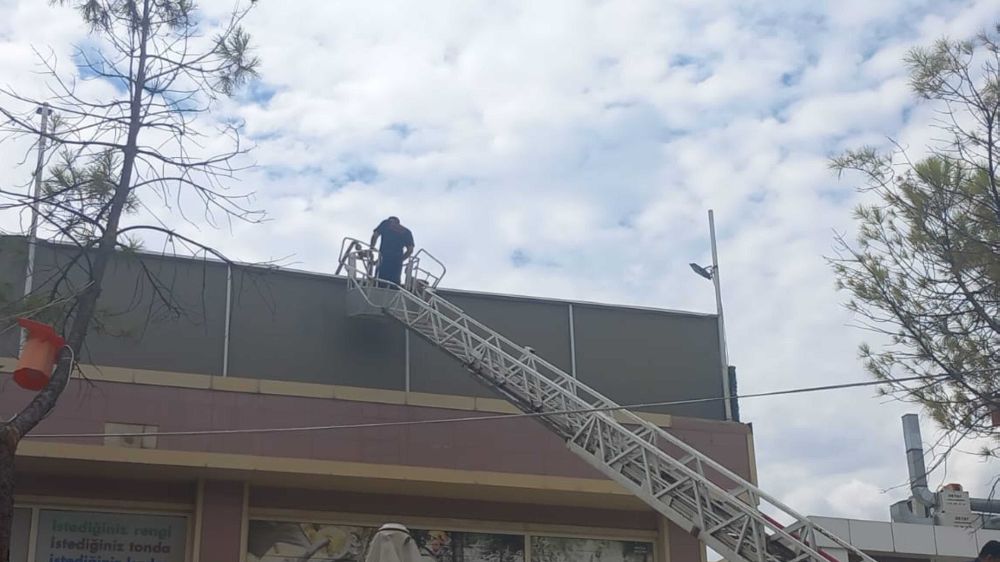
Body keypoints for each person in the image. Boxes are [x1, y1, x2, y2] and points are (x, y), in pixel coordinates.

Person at [370, 216, 414, 286]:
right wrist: (400, 260)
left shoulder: (386, 223)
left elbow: (375, 236)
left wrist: (371, 249)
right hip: (396, 263)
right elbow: (410, 250)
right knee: (393, 285)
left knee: (379, 283)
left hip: (383, 259)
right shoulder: (407, 232)